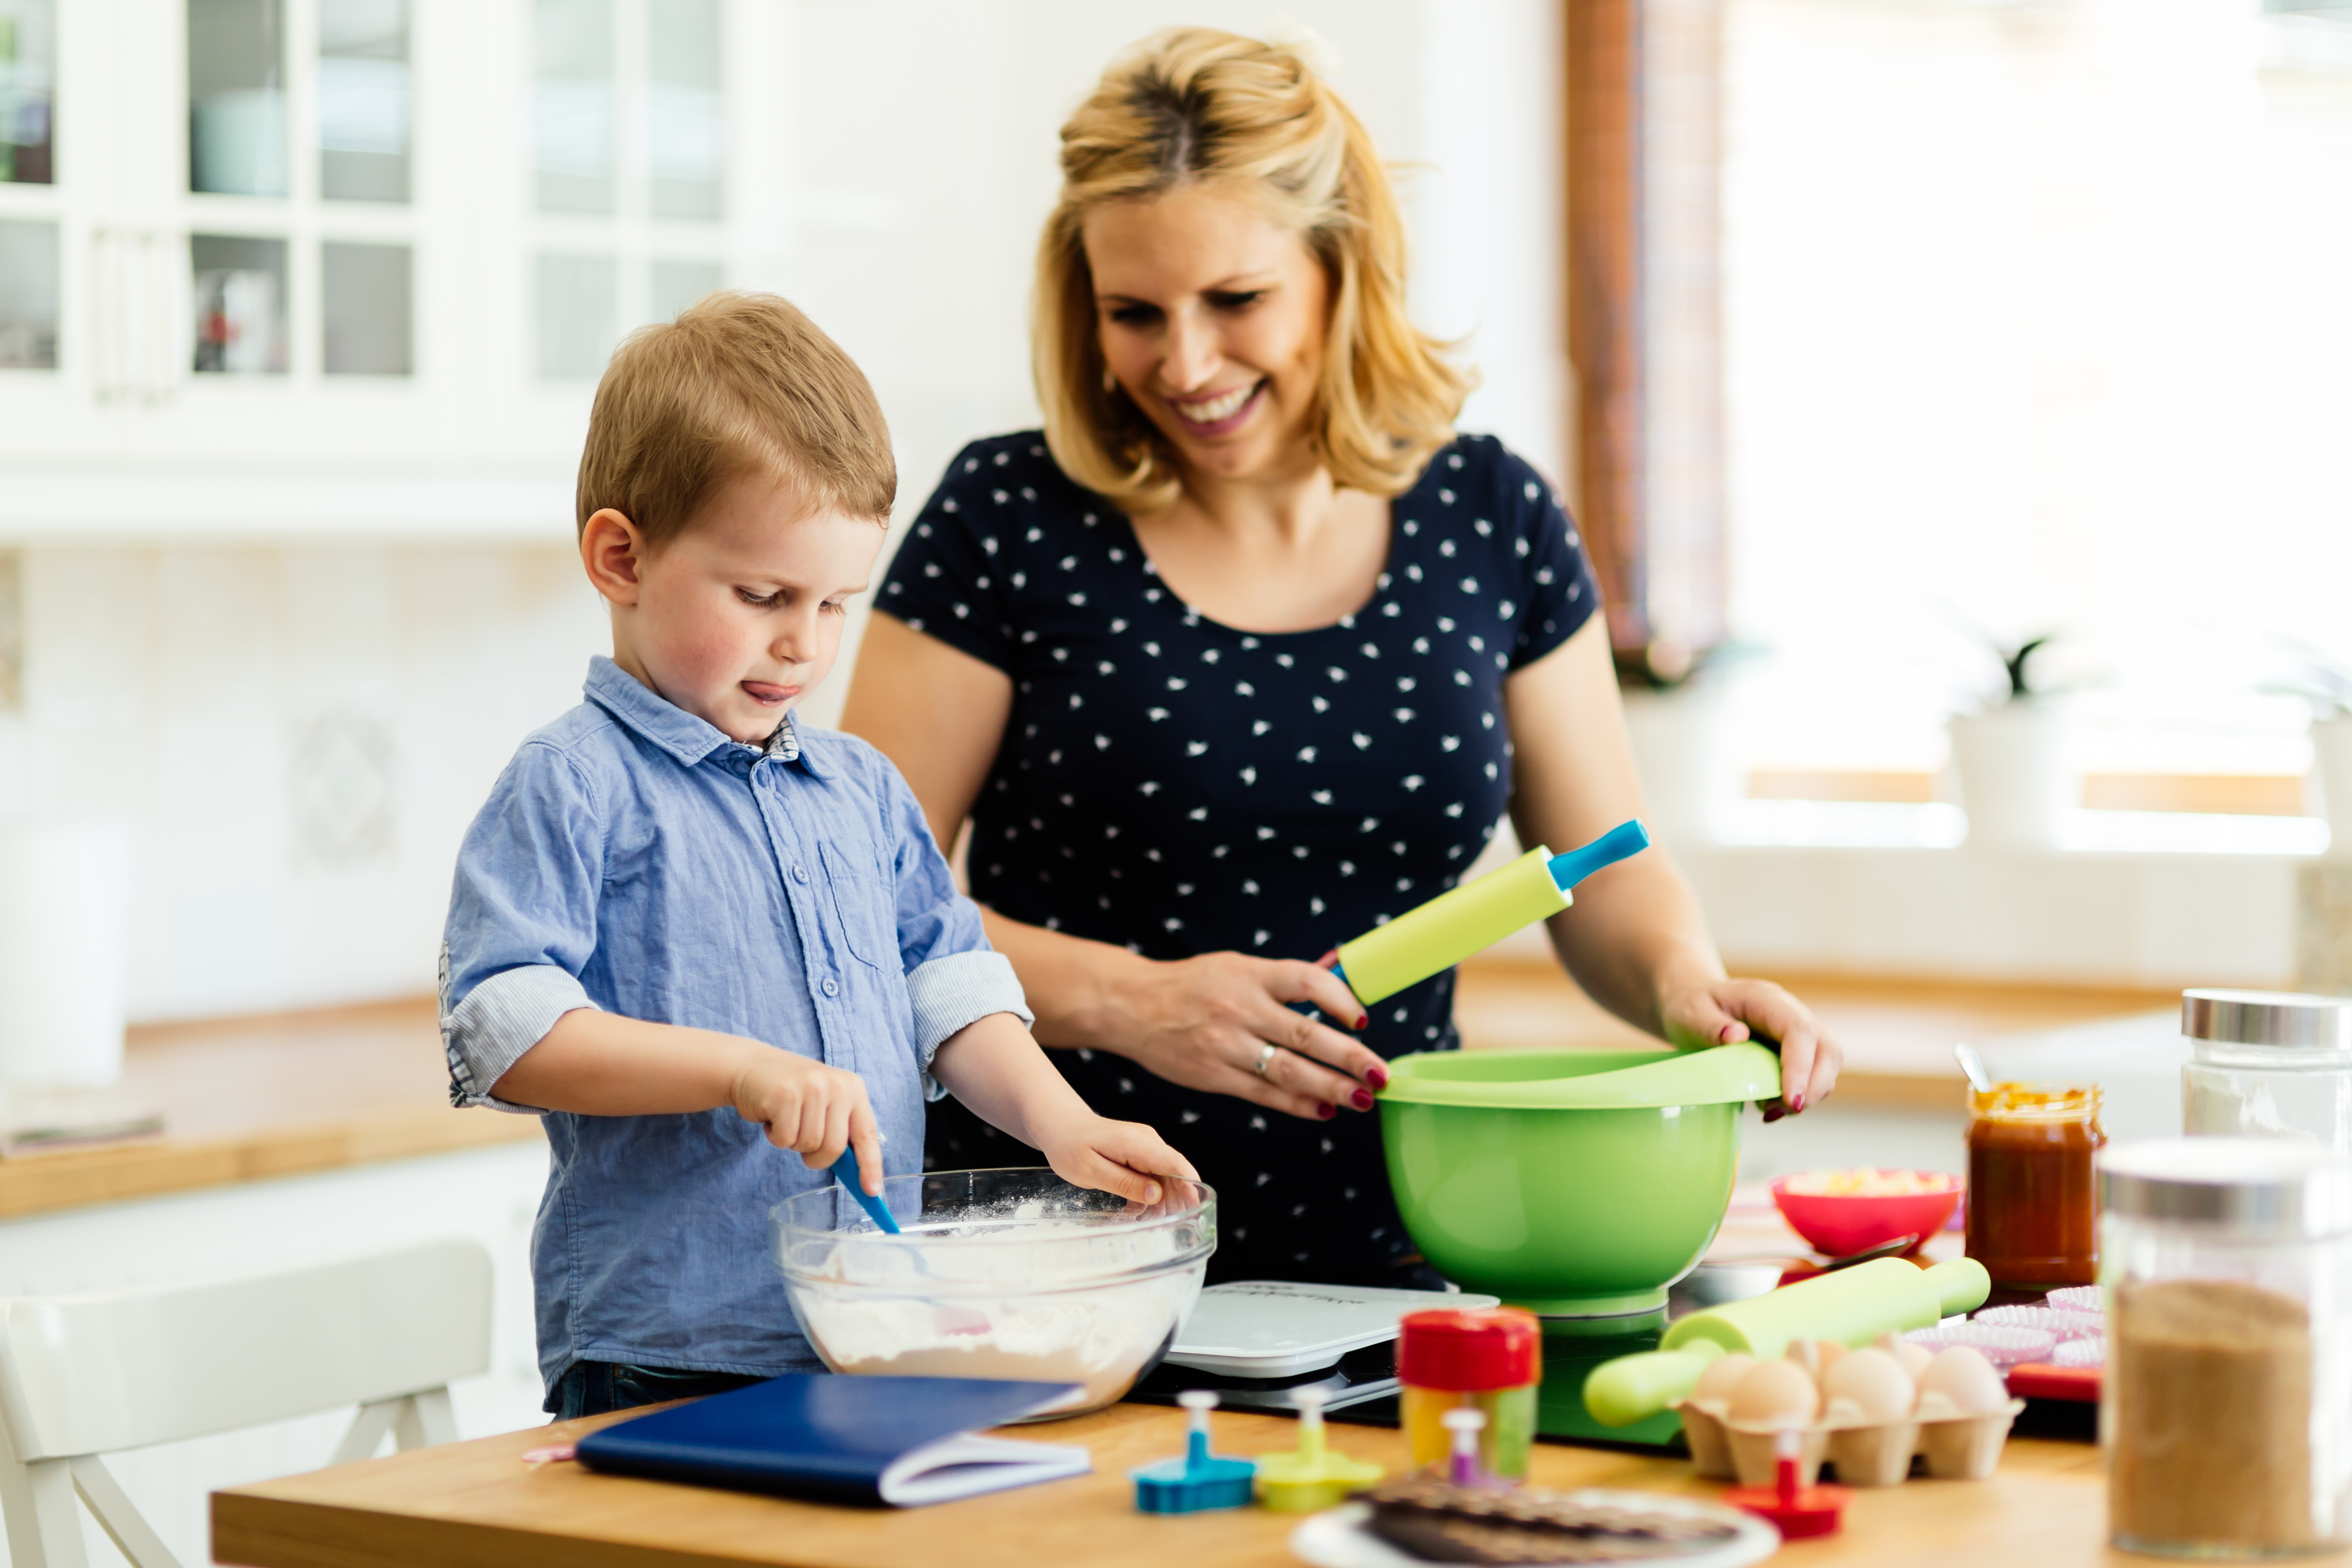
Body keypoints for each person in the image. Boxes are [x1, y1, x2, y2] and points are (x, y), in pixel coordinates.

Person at [843, 28, 1842, 1289]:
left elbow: (1603, 869)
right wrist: (1135, 1001)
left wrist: (1688, 988)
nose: (1186, 365)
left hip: (1401, 1258)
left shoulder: (1490, 516)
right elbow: (853, 906)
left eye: (1235, 301)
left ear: (1339, 266)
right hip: (1054, 1262)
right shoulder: (1004, 518)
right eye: (1133, 314)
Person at [438, 292, 1196, 1418]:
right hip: (669, 1345)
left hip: (869, 1327)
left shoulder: (861, 789)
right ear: (620, 557)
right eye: (763, 596)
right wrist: (739, 1070)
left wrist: (1061, 1123)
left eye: (837, 601)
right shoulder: (575, 783)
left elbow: (951, 990)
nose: (804, 642)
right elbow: (505, 1030)